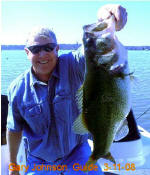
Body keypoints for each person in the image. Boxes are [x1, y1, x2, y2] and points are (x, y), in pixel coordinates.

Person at [6, 4, 127, 175]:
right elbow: (14, 128)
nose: (42, 55)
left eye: (48, 48)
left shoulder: (73, 65)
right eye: (35, 49)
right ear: (27, 52)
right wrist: (13, 166)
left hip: (76, 151)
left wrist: (104, 17)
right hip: (40, 159)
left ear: (57, 49)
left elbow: (94, 46)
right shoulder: (17, 89)